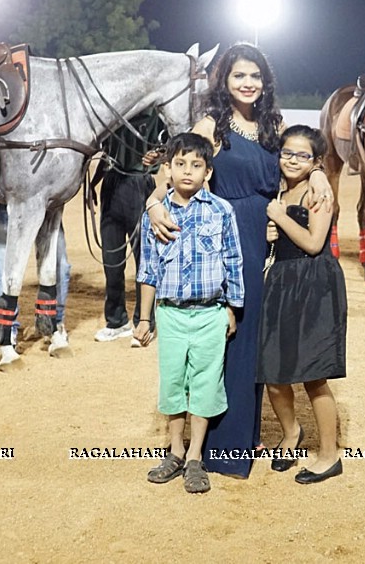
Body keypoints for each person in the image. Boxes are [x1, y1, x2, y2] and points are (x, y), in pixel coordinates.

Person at [145, 42, 332, 479]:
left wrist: (319, 171)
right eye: (238, 76)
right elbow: (170, 171)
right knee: (226, 339)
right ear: (224, 82)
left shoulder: (275, 124)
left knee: (255, 339)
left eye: (254, 76)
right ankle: (214, 447)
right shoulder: (212, 124)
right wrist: (155, 204)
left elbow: (303, 157)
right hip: (224, 237)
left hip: (270, 237)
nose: (248, 84)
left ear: (265, 82)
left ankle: (241, 440)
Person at [135, 133, 244, 494]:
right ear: (167, 168)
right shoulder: (157, 213)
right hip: (170, 315)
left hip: (210, 313)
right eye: (179, 163)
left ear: (208, 172)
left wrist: (232, 308)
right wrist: (144, 318)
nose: (187, 171)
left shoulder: (221, 211)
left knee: (204, 385)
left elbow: (233, 261)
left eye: (196, 165)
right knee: (172, 383)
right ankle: (175, 451)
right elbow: (147, 269)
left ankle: (196, 457)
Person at [258, 125, 347, 484]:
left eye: (303, 155)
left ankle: (329, 456)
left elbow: (313, 243)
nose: (293, 160)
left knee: (313, 375)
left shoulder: (316, 191)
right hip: (281, 282)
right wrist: (271, 238)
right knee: (274, 373)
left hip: (314, 284)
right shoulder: (281, 189)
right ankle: (292, 433)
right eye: (287, 153)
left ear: (316, 160)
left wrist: (279, 218)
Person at [92, 107, 164, 347]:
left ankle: (145, 322)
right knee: (111, 258)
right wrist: (93, 183)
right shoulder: (114, 111)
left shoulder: (156, 116)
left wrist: (159, 156)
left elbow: (172, 147)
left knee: (143, 259)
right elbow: (104, 153)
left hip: (138, 182)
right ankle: (116, 321)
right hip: (112, 184)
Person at [0, 204, 71, 340]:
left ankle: (7, 329)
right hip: (46, 199)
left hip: (11, 198)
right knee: (56, 256)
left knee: (4, 260)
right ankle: (55, 324)